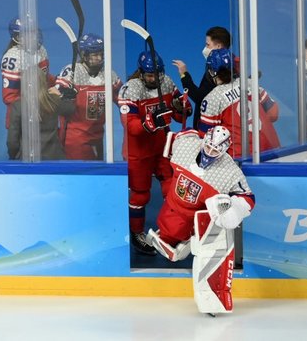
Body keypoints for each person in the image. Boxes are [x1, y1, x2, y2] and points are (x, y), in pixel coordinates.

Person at [145, 126, 255, 314]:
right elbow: (184, 133)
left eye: (216, 150)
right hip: (171, 211)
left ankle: (212, 297)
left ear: (225, 149)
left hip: (195, 219)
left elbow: (248, 197)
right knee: (169, 242)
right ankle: (172, 240)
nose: (210, 153)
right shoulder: (187, 147)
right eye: (209, 146)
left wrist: (234, 210)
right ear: (204, 141)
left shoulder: (230, 172)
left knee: (211, 250)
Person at [118, 50, 190, 254]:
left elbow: (180, 114)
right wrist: (151, 121)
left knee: (172, 190)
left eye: (157, 74)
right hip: (138, 152)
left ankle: (171, 232)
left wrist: (180, 106)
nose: (154, 78)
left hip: (162, 147)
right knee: (140, 196)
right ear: (141, 73)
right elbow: (130, 127)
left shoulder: (166, 82)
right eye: (150, 75)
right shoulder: (129, 90)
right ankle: (136, 232)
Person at [197, 48, 280, 158]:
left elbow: (207, 140)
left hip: (242, 158)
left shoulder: (212, 98)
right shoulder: (250, 83)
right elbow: (274, 114)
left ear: (212, 72)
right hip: (272, 149)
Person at [54, 33, 123, 160]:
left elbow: (123, 100)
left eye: (101, 54)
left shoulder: (109, 74)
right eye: (95, 54)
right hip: (75, 138)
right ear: (84, 56)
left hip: (98, 136)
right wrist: (64, 95)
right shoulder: (72, 72)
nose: (100, 58)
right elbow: (53, 95)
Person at [0, 17, 51, 148]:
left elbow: (44, 79)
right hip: (22, 119)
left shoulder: (41, 50)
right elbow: (9, 97)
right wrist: (31, 107)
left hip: (42, 113)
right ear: (16, 37)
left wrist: (60, 84)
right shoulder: (13, 58)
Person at [7, 71, 76, 161]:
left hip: (27, 159)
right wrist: (60, 95)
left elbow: (12, 141)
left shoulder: (18, 105)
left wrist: (14, 157)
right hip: (53, 159)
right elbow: (71, 109)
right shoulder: (53, 101)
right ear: (44, 82)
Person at [171, 26, 231, 130]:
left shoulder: (217, 71)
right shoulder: (232, 63)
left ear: (218, 46)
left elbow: (200, 97)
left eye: (208, 45)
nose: (205, 48)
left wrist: (184, 75)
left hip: (211, 129)